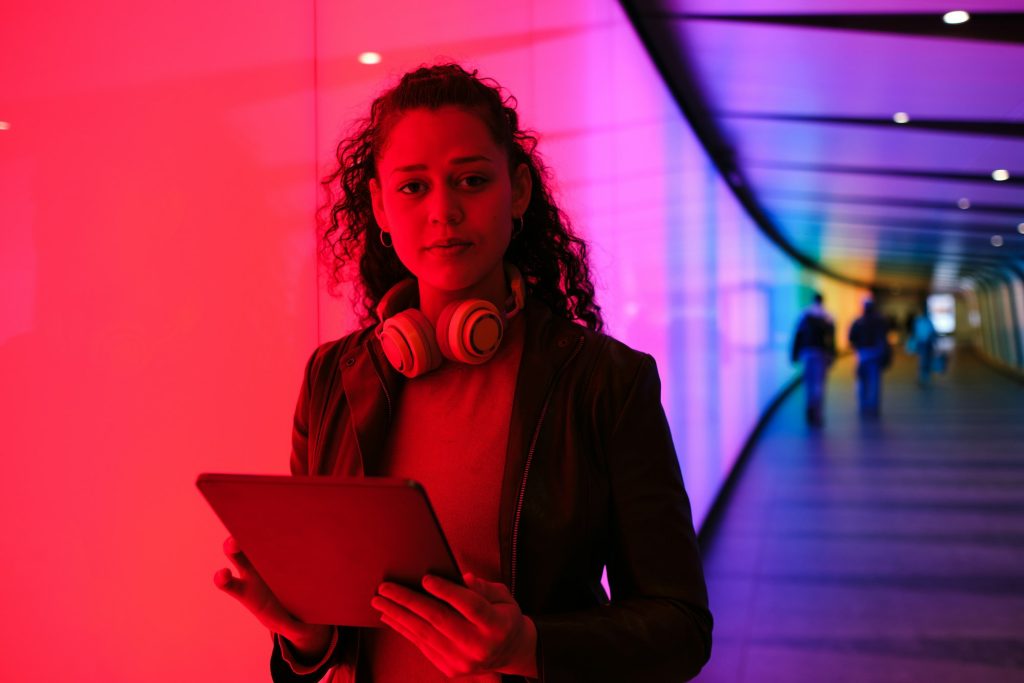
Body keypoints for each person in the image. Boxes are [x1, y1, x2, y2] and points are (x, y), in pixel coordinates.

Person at [213, 63, 712, 682]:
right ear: (379, 206)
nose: (443, 212)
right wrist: (303, 634)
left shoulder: (606, 382)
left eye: (471, 181)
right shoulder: (330, 378)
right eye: (413, 187)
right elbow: (326, 637)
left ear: (519, 192)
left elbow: (681, 627)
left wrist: (530, 646)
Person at [790, 292, 836, 426]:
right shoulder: (827, 316)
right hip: (821, 354)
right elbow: (831, 340)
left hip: (807, 353)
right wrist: (832, 355)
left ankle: (809, 409)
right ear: (822, 301)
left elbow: (797, 336)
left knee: (808, 383)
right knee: (819, 384)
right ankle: (818, 413)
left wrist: (794, 354)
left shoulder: (804, 315)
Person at [848, 299, 891, 417]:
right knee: (875, 381)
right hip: (876, 354)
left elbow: (851, 337)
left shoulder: (859, 321)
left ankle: (863, 405)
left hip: (863, 355)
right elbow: (885, 335)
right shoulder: (880, 321)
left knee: (862, 381)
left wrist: (858, 347)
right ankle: (874, 406)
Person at [911, 310, 938, 386]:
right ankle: (926, 378)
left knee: (921, 360)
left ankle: (919, 377)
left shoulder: (918, 322)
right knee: (927, 360)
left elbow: (915, 332)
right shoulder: (929, 322)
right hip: (927, 344)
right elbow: (932, 332)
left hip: (921, 343)